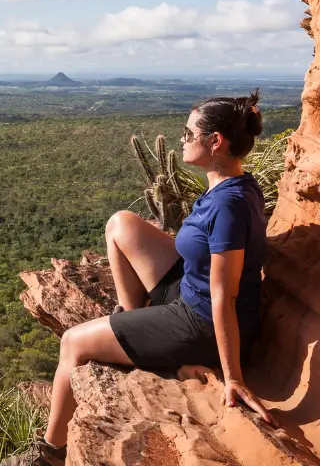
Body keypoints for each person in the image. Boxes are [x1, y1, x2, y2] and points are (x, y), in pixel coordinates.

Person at [33, 90, 273, 464]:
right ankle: (134, 322)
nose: (182, 139)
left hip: (202, 320)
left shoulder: (229, 204)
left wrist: (234, 377)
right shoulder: (231, 183)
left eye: (188, 133)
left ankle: (51, 452)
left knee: (73, 343)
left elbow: (223, 297)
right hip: (189, 288)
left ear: (215, 142)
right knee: (121, 224)